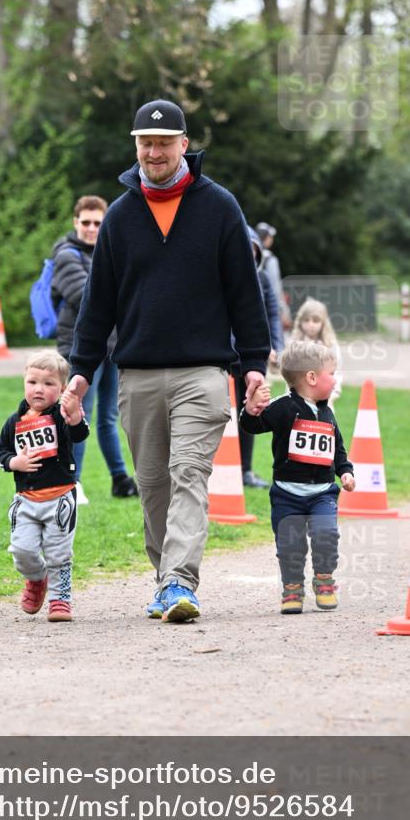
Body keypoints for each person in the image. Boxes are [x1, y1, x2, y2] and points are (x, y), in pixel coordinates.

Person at [66, 98, 271, 623]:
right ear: (135, 146)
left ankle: (182, 580)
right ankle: (166, 581)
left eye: (163, 142)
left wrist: (252, 365)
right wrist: (80, 375)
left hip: (201, 374)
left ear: (184, 145)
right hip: (136, 374)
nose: (154, 152)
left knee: (188, 475)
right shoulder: (119, 215)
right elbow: (97, 306)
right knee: (153, 485)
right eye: (145, 143)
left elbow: (245, 295)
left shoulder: (219, 206)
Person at [240, 339, 355, 615]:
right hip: (287, 494)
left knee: (326, 535)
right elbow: (252, 426)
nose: (336, 379)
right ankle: (292, 588)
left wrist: (346, 471)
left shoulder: (327, 412)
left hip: (323, 493)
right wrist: (252, 408)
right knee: (290, 544)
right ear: (312, 377)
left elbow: (336, 447)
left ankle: (324, 580)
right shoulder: (282, 408)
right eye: (332, 373)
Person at [51, 195, 138, 505]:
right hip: (80, 349)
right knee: (76, 415)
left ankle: (120, 479)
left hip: (113, 347)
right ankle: (70, 481)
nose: (91, 228)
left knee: (108, 418)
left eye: (97, 223)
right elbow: (85, 297)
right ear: (75, 223)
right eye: (85, 222)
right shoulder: (66, 255)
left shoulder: (111, 252)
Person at [0, 350, 89, 622]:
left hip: (59, 499)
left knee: (59, 553)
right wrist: (14, 463)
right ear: (24, 382)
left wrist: (74, 417)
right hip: (25, 500)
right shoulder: (14, 421)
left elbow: (79, 434)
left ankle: (60, 599)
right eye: (33, 382)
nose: (39, 389)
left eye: (49, 384)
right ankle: (36, 579)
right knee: (22, 550)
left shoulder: (62, 415)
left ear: (61, 389)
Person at [233, 226, 284, 489]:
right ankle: (220, 470)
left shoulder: (262, 279)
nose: (249, 255)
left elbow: (272, 314)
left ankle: (245, 470)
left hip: (252, 361)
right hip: (227, 358)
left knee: (248, 413)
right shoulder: (225, 277)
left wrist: (275, 346)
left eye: (253, 250)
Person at [291, 297, 342, 406]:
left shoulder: (330, 346)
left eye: (315, 321)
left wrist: (333, 393)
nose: (311, 325)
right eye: (306, 320)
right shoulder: (295, 344)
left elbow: (336, 372)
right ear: (300, 322)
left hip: (324, 399)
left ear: (323, 323)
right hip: (299, 400)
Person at [256, 222, 291, 331]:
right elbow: (275, 287)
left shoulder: (247, 254)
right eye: (270, 236)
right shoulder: (269, 259)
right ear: (266, 237)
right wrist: (282, 310)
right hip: (268, 306)